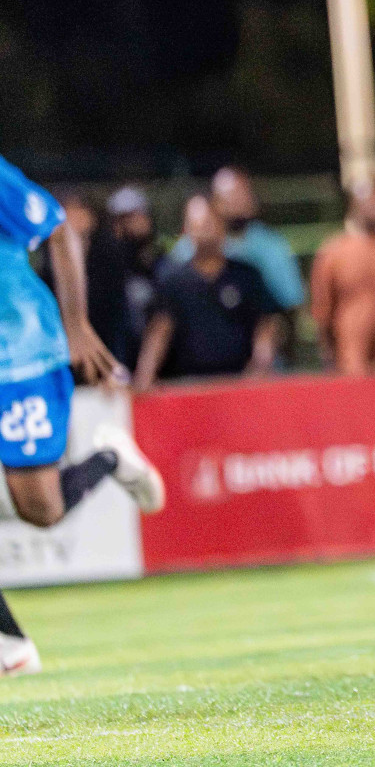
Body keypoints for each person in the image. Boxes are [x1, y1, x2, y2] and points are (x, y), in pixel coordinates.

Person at [0, 155, 164, 677]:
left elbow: (58, 227)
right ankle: (10, 645)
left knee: (42, 508)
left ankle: (109, 457)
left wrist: (76, 326)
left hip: (20, 355)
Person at [134, 196, 282, 387]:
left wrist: (260, 365)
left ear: (223, 226)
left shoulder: (247, 276)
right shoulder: (173, 281)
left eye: (210, 223)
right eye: (199, 225)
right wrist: (145, 376)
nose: (205, 230)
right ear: (187, 230)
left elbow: (265, 326)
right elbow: (159, 331)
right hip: (187, 386)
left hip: (239, 383)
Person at [170, 167, 305, 315]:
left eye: (243, 196)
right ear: (214, 203)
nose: (238, 205)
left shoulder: (270, 244)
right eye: (231, 198)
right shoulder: (193, 244)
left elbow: (289, 301)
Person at [310, 181, 375, 375]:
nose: (373, 205)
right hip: (351, 365)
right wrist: (329, 359)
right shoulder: (334, 252)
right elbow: (322, 313)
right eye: (366, 200)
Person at [40, 191, 132, 364]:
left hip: (106, 339)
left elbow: (116, 314)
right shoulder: (47, 266)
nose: (73, 219)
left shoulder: (110, 258)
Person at [106, 185, 165, 368]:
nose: (134, 223)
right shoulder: (107, 270)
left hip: (161, 364)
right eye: (125, 219)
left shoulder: (162, 264)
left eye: (138, 215)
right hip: (121, 361)